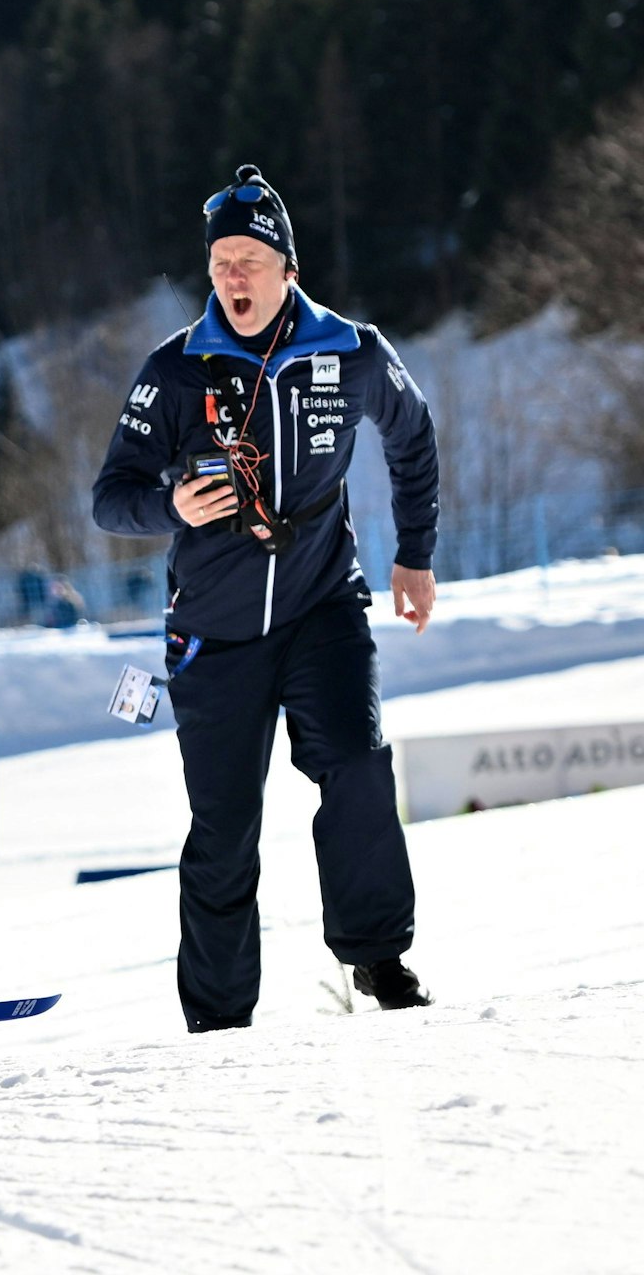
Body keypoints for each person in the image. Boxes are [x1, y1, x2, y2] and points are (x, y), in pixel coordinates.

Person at [91, 164, 440, 1033]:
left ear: (287, 264)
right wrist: (168, 504)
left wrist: (415, 558)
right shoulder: (175, 371)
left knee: (358, 768)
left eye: (249, 258)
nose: (233, 278)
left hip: (324, 607)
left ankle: (379, 959)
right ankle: (216, 1022)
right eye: (220, 264)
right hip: (214, 632)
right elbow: (109, 497)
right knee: (224, 832)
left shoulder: (349, 350)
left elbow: (413, 434)